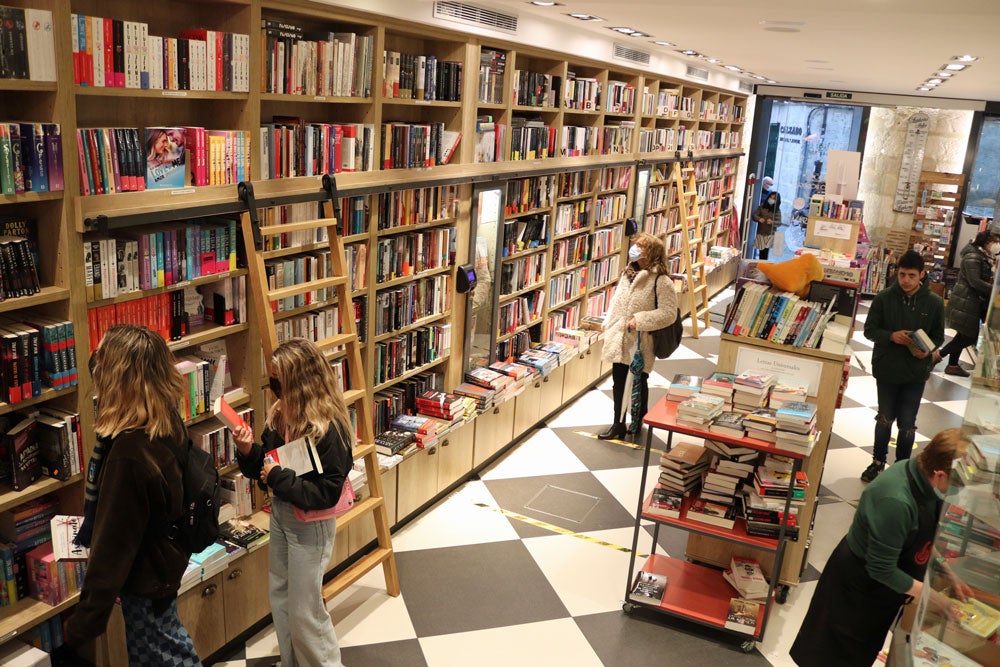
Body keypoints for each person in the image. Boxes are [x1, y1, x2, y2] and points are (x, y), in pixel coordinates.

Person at [64, 324, 201, 665]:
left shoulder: (129, 454)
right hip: (165, 569)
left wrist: (82, 625)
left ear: (117, 378)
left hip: (147, 583)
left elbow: (112, 549)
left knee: (166, 655)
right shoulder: (164, 420)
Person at [790, 428, 972, 667]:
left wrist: (947, 572)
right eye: (956, 484)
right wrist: (935, 599)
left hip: (880, 592)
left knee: (861, 653)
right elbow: (882, 569)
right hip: (857, 590)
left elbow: (918, 537)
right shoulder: (895, 500)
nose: (958, 491)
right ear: (939, 475)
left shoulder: (923, 473)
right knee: (835, 657)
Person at [232, 338, 354, 667]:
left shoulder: (329, 426)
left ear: (299, 381)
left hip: (310, 526)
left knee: (305, 612)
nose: (273, 387)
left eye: (278, 380)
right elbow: (267, 464)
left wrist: (276, 478)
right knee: (282, 601)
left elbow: (327, 492)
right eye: (271, 378)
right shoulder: (280, 413)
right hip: (282, 516)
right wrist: (247, 453)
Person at [861, 250, 945, 483]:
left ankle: (901, 469)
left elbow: (939, 335)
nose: (906, 280)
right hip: (887, 368)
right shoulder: (884, 298)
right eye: (901, 275)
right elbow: (869, 330)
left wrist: (928, 349)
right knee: (885, 418)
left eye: (911, 275)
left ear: (922, 275)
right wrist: (891, 336)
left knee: (907, 424)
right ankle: (877, 462)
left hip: (916, 371)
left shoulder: (935, 303)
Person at [598, 232, 678, 440]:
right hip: (619, 337)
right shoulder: (628, 274)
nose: (634, 249)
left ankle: (637, 421)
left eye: (639, 247)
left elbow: (669, 313)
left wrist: (639, 320)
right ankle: (618, 424)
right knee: (618, 381)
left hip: (641, 342)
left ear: (650, 252)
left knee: (638, 381)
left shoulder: (661, 280)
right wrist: (608, 324)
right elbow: (617, 302)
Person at [937, 230, 1000, 377]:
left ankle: (952, 365)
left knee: (963, 334)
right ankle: (938, 355)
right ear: (986, 242)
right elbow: (975, 281)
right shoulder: (973, 256)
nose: (997, 245)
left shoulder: (981, 255)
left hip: (969, 300)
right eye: (995, 241)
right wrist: (995, 290)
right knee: (970, 336)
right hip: (967, 301)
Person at [751, 190, 780, 260]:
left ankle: (764, 265)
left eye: (774, 199)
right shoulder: (762, 206)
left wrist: (772, 222)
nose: (771, 200)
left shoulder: (777, 210)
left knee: (766, 252)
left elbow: (779, 222)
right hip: (761, 232)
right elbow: (754, 215)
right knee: (761, 252)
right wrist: (759, 219)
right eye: (771, 198)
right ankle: (761, 265)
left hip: (770, 233)